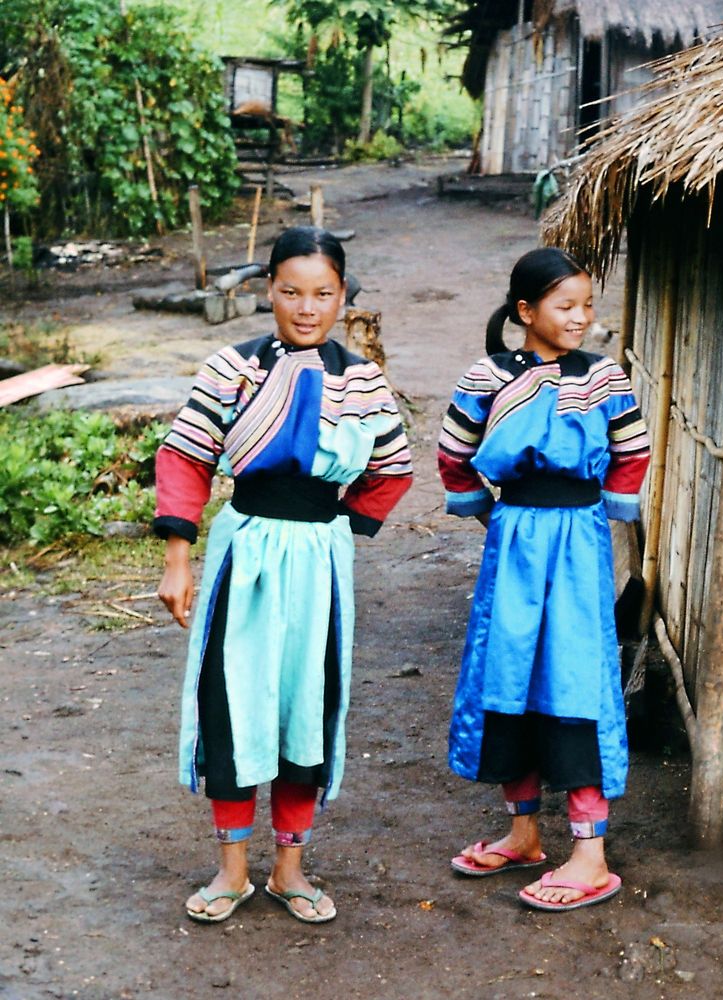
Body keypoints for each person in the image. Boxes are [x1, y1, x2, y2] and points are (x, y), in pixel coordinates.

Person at [155, 226, 412, 924]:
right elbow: (185, 457)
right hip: (245, 552)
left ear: (342, 296)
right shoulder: (230, 369)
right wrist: (179, 557)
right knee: (231, 699)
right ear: (268, 290)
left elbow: (392, 468)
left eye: (323, 293)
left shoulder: (360, 379)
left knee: (308, 704)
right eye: (291, 292)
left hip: (320, 559)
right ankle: (232, 871)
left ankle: (290, 870)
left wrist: (341, 527)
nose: (307, 307)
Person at [438, 246, 650, 912]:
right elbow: (452, 456)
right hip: (516, 538)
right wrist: (495, 521)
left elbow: (631, 452)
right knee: (513, 676)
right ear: (526, 311)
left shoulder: (604, 377)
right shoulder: (487, 376)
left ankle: (590, 854)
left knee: (575, 676)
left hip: (579, 540)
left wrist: (602, 524)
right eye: (566, 306)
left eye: (588, 305)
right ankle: (523, 832)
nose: (581, 318)